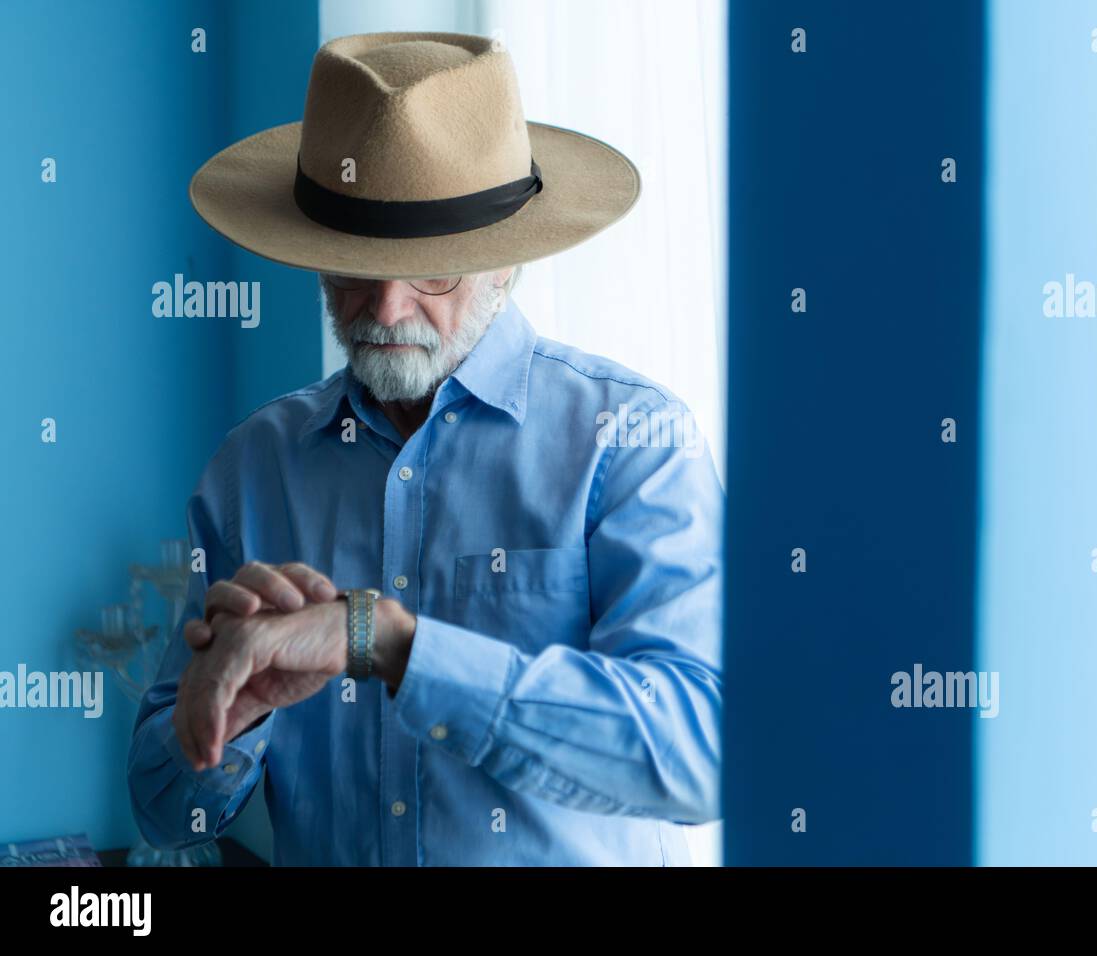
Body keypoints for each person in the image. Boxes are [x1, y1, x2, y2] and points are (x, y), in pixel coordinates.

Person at [126, 31, 722, 866]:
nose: (387, 306)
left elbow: (701, 758)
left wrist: (389, 643)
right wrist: (235, 714)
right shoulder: (251, 469)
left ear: (506, 261)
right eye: (351, 265)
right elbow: (163, 813)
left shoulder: (631, 442)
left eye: (434, 270)